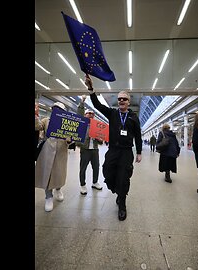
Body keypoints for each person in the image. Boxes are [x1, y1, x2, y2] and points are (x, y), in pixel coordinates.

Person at [84, 74, 142, 221]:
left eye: (124, 99)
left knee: (124, 177)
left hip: (126, 152)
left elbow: (138, 136)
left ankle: (122, 204)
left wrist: (139, 152)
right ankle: (118, 190)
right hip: (113, 150)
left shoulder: (134, 118)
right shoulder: (112, 113)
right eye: (119, 99)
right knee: (107, 172)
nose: (121, 100)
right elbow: (97, 105)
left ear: (129, 102)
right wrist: (91, 89)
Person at [35, 102, 73, 211]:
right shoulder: (46, 120)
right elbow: (37, 126)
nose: (56, 111)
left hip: (61, 151)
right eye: (54, 109)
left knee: (59, 172)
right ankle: (48, 196)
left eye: (59, 109)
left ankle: (58, 189)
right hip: (47, 150)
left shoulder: (67, 123)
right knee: (47, 173)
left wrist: (70, 141)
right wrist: (36, 115)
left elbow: (72, 138)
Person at [75, 95, 104, 195]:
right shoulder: (82, 124)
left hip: (95, 150)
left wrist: (99, 139)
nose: (91, 115)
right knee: (83, 168)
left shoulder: (97, 126)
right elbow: (79, 113)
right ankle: (83, 185)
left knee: (96, 167)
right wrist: (82, 102)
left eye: (92, 114)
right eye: (89, 113)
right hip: (85, 149)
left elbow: (101, 141)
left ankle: (95, 182)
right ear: (85, 115)